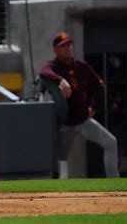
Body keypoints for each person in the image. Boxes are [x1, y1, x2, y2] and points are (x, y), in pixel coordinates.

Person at [38, 32, 119, 178]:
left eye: (69, 45)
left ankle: (114, 182)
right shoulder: (54, 66)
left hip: (83, 119)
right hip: (66, 123)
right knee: (61, 157)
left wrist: (94, 107)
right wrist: (60, 80)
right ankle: (61, 189)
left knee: (111, 142)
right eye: (63, 46)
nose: (68, 48)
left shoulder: (81, 66)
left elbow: (99, 87)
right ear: (56, 49)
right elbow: (44, 72)